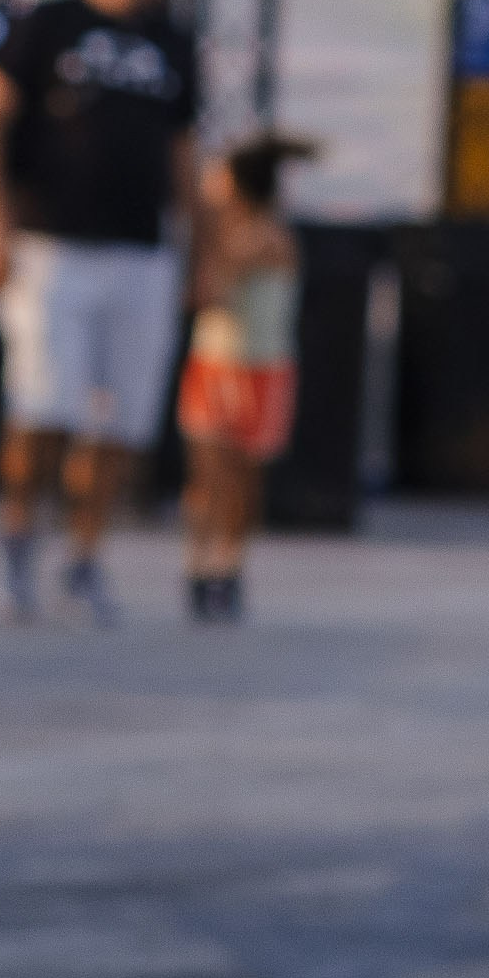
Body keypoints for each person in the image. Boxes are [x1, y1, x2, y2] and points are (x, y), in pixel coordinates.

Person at [0, 0, 198, 628]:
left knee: (123, 417)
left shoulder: (172, 42)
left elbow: (184, 153)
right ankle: (15, 537)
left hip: (140, 250)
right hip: (49, 244)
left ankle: (85, 556)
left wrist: (202, 249)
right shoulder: (49, 22)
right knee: (44, 403)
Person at [177, 133, 313, 624]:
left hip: (257, 371)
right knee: (211, 476)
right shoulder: (247, 234)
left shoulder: (260, 237)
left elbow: (206, 291)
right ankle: (205, 563)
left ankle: (222, 564)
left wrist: (200, 226)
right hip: (219, 363)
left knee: (236, 478)